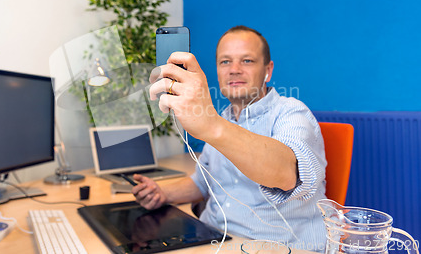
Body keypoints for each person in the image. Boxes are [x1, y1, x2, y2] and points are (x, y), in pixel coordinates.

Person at [132, 25, 327, 250]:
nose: (234, 70)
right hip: (212, 240)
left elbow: (286, 173)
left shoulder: (292, 112)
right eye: (225, 62)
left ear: (268, 70)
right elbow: (203, 182)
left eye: (247, 61)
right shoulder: (223, 118)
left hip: (278, 246)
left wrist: (212, 125)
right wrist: (162, 193)